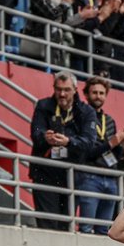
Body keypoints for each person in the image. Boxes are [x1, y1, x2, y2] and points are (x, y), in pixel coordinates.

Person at [29, 71, 96, 230]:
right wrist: (45, 137)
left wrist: (69, 142)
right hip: (45, 173)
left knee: (66, 226)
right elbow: (35, 132)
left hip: (72, 176)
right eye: (58, 89)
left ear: (75, 90)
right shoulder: (43, 106)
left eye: (66, 90)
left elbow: (89, 142)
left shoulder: (86, 111)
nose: (62, 94)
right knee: (47, 224)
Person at [77, 76, 124, 234]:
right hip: (90, 177)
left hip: (110, 178)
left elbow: (114, 156)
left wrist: (121, 143)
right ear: (86, 94)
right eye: (94, 92)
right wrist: (112, 142)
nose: (98, 96)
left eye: (101, 93)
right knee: (86, 228)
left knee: (104, 231)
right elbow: (86, 152)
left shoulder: (109, 120)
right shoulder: (81, 116)